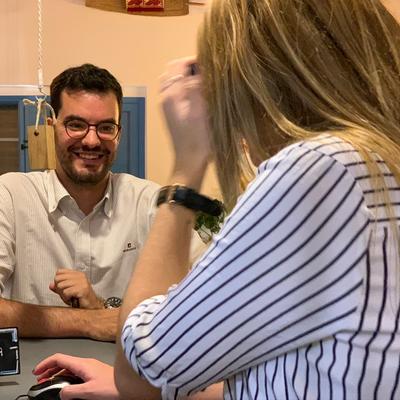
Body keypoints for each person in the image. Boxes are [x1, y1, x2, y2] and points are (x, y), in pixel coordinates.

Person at [35, 0, 400, 399]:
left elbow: (143, 373)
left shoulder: (318, 170)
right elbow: (299, 366)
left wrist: (187, 165)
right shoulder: (377, 166)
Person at [0, 63, 160, 341]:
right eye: (76, 125)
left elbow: (193, 305)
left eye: (106, 127)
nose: (92, 141)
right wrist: (90, 322)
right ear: (52, 127)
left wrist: (99, 306)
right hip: (34, 370)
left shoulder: (150, 202)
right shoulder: (11, 195)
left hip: (121, 370)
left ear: (119, 134)